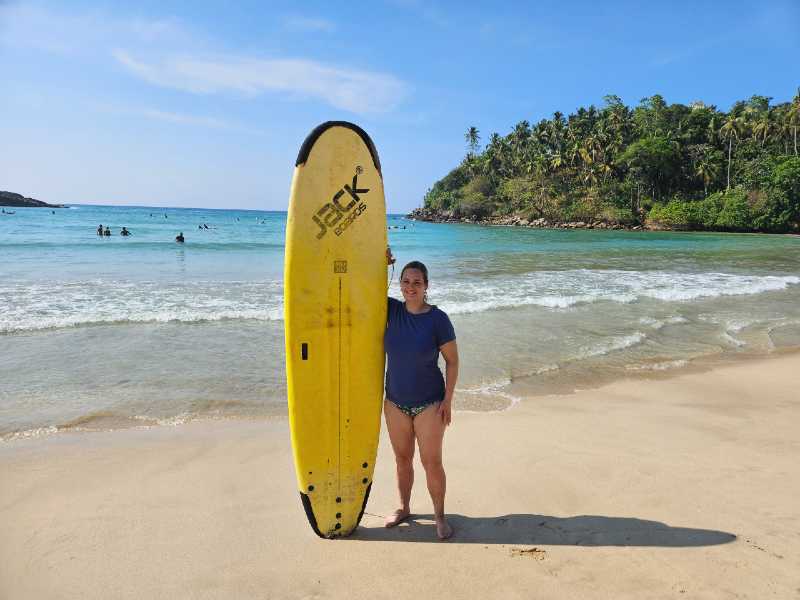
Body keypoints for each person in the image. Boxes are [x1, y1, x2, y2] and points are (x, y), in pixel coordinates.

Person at [383, 247, 459, 540]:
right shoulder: (391, 310)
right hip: (395, 402)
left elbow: (452, 361)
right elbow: (366, 287)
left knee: (431, 462)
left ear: (426, 286)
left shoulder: (438, 319)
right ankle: (404, 507)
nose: (410, 287)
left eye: (417, 282)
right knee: (402, 460)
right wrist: (381, 263)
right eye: (406, 281)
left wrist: (448, 400)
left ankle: (439, 516)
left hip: (430, 404)